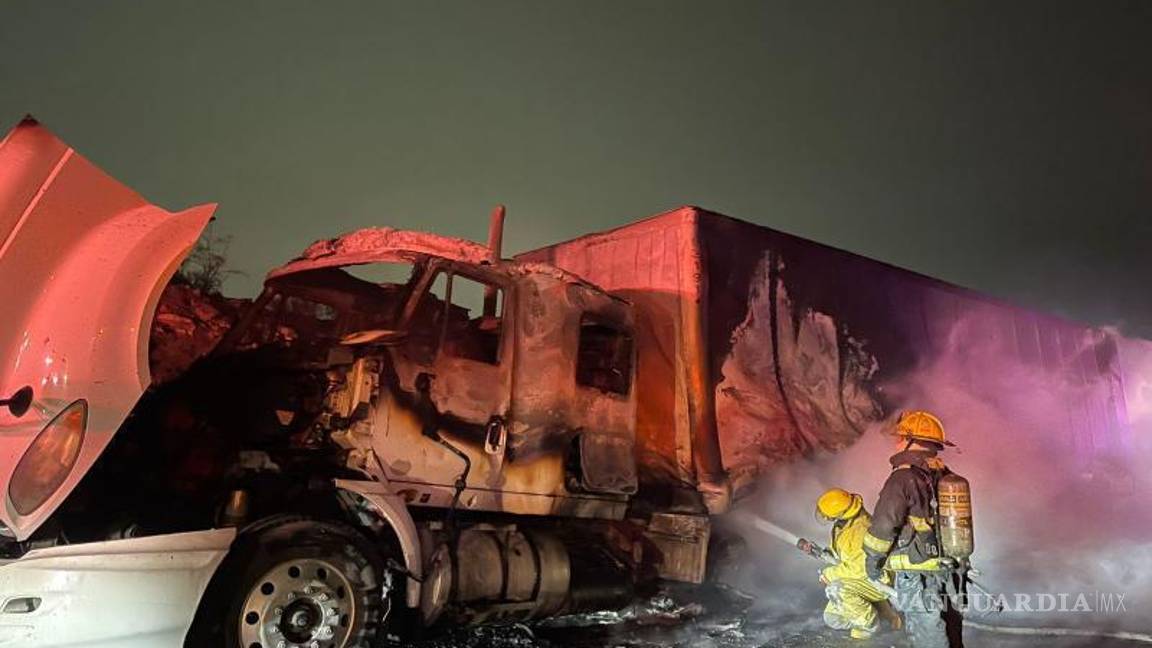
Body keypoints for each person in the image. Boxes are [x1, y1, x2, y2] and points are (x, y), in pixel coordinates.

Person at [863, 410, 961, 648]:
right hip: (948, 569)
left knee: (926, 631)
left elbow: (884, 525)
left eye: (899, 437)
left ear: (909, 440)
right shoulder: (944, 474)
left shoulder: (903, 478)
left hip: (917, 572)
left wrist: (872, 561)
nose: (896, 442)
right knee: (951, 629)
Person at [814, 488, 894, 640]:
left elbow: (859, 568)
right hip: (860, 577)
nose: (826, 518)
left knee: (836, 589)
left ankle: (870, 625)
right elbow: (845, 550)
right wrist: (828, 552)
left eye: (828, 516)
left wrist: (828, 574)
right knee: (833, 618)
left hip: (876, 581)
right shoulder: (845, 524)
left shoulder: (860, 530)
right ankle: (882, 614)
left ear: (840, 513)